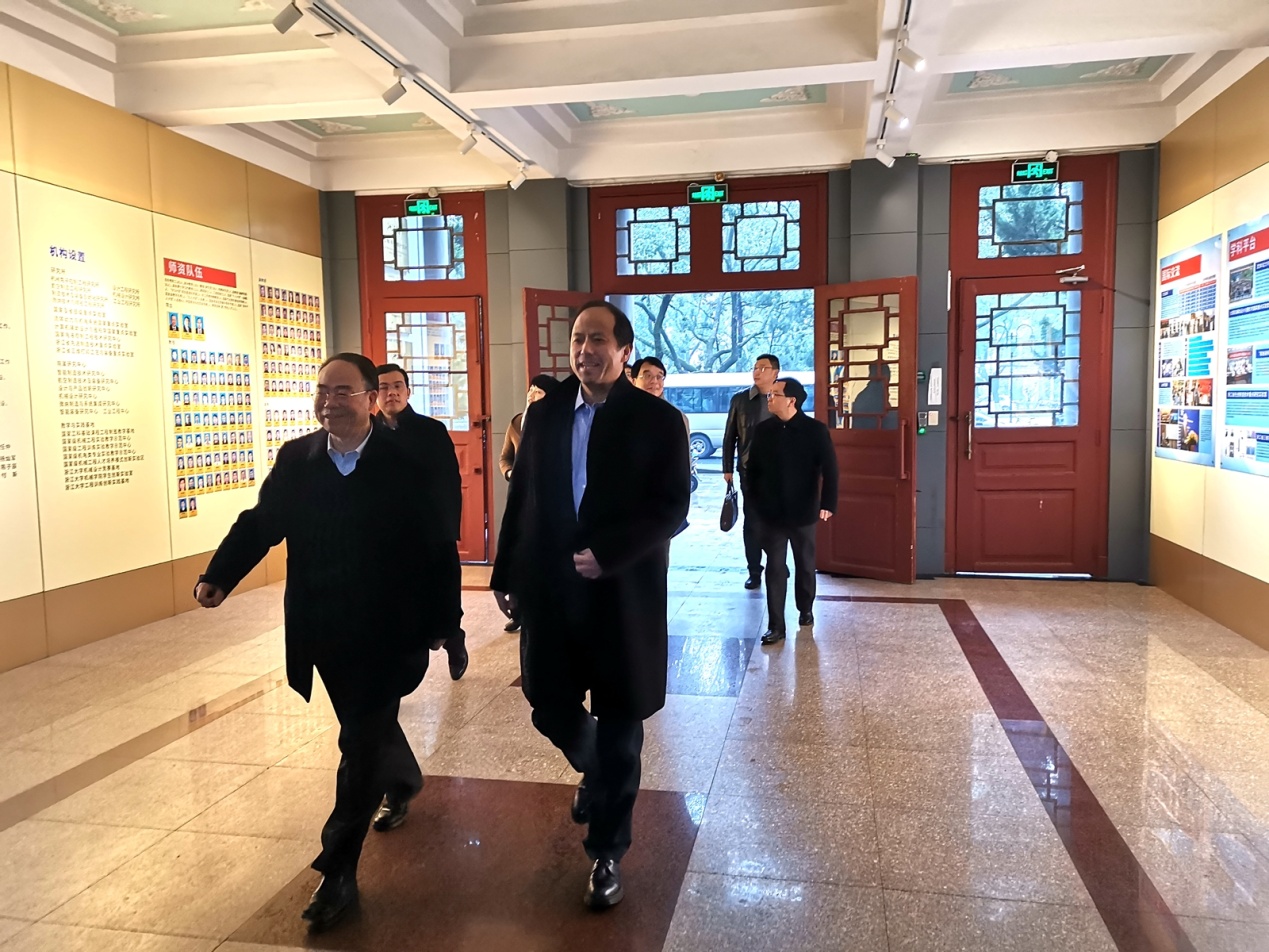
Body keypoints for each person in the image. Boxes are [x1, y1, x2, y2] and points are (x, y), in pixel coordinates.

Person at [194, 353, 459, 932]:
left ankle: (337, 867)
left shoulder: (406, 463)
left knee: (359, 744)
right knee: (365, 729)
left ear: (371, 399)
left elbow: (438, 545)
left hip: (388, 632)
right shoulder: (299, 459)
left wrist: (448, 620)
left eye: (343, 391)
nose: (329, 402)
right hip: (324, 628)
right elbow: (262, 521)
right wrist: (220, 574)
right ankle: (403, 779)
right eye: (322, 391)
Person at [491, 301, 689, 910]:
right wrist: (505, 571)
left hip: (623, 594)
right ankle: (597, 772)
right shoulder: (545, 413)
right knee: (547, 701)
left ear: (624, 351)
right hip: (552, 590)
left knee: (621, 723)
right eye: (578, 339)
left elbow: (672, 507)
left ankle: (607, 851)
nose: (585, 350)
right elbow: (523, 496)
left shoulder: (658, 419)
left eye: (598, 339)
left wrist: (611, 554)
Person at [375, 362, 468, 680]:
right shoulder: (368, 433)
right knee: (396, 605)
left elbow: (449, 483)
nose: (391, 393)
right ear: (374, 394)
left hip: (430, 532)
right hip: (387, 536)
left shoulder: (431, 431)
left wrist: (446, 531)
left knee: (441, 602)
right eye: (383, 387)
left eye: (397, 386)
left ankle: (454, 639)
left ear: (408, 391)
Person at [746, 377, 838, 645]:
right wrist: (754, 502)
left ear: (791, 400)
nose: (769, 398)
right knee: (774, 567)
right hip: (771, 512)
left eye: (774, 394)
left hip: (803, 510)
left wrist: (828, 503)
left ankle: (805, 607)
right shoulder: (764, 430)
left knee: (805, 564)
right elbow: (752, 470)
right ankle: (776, 626)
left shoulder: (815, 430)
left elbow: (830, 469)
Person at [498, 373, 560, 634]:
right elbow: (505, 457)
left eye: (539, 391)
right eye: (531, 390)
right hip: (520, 495)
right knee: (518, 551)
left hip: (546, 501)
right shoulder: (516, 422)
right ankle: (518, 611)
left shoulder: (558, 425)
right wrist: (511, 473)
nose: (532, 395)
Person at [721, 354, 781, 589]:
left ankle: (776, 561)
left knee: (775, 520)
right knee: (753, 521)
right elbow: (730, 436)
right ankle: (754, 570)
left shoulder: (782, 398)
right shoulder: (740, 400)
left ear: (775, 373)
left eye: (763, 368)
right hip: (749, 470)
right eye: (755, 367)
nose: (757, 371)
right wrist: (727, 468)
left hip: (778, 472)